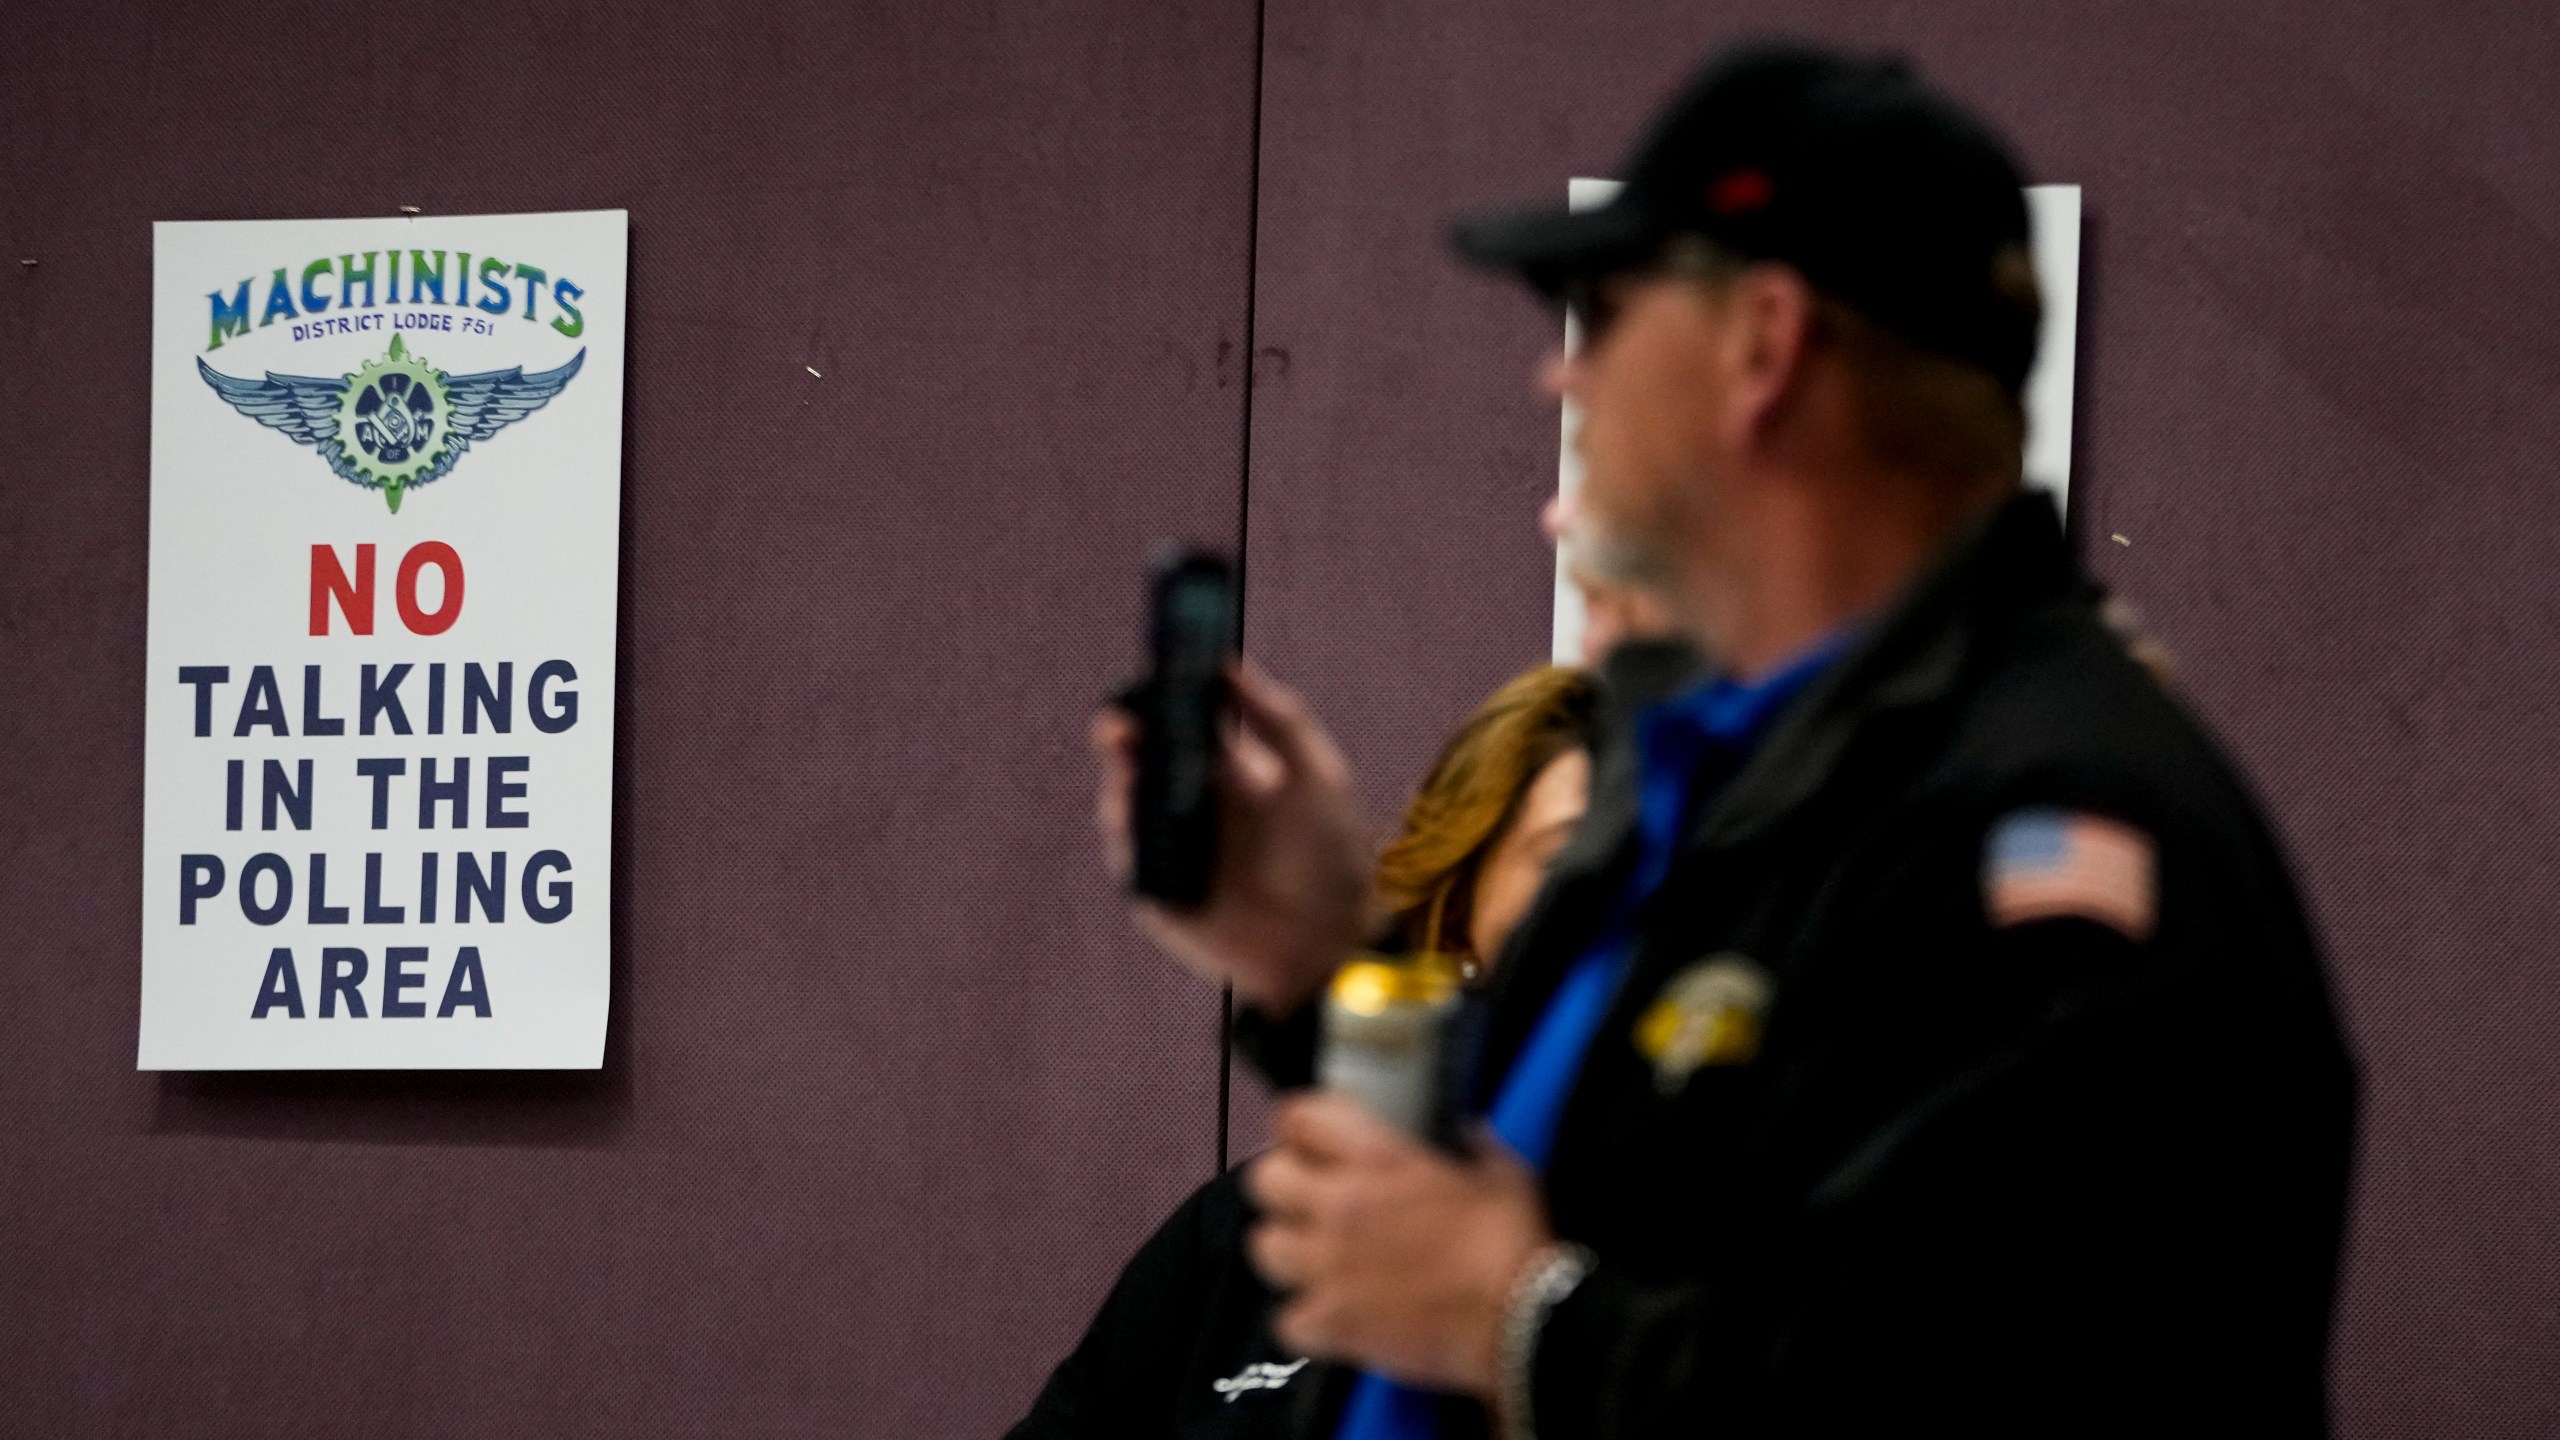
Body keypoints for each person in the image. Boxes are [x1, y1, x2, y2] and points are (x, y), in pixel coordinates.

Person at [1094, 39, 2357, 1440]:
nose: (1556, 383)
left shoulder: (2053, 825)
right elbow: (1569, 1197)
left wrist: (1522, 1323)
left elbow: (1978, 1390)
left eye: (1601, 315)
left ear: (1764, 347)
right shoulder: (1710, 777)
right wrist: (1324, 962)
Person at [1012, 666, 1600, 1439]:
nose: (1634, 910)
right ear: (1458, 920)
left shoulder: (1736, 1253)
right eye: (1574, 861)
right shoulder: (1244, 1233)